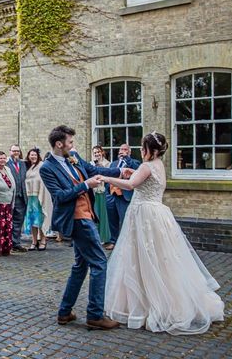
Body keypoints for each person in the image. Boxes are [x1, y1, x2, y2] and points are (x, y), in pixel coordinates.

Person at [98, 132, 224, 335]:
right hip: (157, 213)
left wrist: (105, 177)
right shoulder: (157, 165)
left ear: (151, 149)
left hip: (144, 215)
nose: (141, 150)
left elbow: (131, 185)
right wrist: (133, 171)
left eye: (143, 147)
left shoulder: (147, 166)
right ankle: (163, 300)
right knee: (161, 258)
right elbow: (143, 180)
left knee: (142, 258)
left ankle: (146, 306)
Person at [39, 125, 129, 330]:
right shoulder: (47, 168)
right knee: (99, 262)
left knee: (80, 266)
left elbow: (95, 170)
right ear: (59, 144)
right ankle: (95, 315)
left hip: (87, 214)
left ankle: (64, 312)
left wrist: (120, 171)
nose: (73, 145)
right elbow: (60, 197)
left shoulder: (74, 157)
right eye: (70, 142)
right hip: (77, 219)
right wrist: (85, 185)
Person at [105, 143, 141, 251]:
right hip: (111, 195)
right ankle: (113, 241)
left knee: (125, 220)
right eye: (121, 149)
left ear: (129, 152)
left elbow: (137, 171)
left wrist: (127, 158)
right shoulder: (113, 164)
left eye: (125, 150)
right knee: (112, 220)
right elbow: (108, 176)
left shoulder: (134, 163)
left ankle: (126, 242)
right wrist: (108, 191)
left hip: (124, 196)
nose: (122, 151)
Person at [23, 147, 47, 251]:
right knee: (32, 219)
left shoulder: (42, 165)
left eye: (35, 155)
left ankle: (43, 240)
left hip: (39, 196)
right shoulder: (28, 167)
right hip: (30, 197)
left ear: (38, 156)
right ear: (28, 156)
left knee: (41, 219)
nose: (33, 157)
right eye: (31, 155)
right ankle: (34, 241)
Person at [7, 144, 28, 252]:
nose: (16, 153)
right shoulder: (5, 163)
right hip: (10, 197)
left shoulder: (23, 164)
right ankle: (7, 242)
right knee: (8, 220)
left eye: (17, 151)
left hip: (22, 197)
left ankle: (16, 243)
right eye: (14, 151)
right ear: (10, 151)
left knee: (18, 221)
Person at [90, 145, 111, 245]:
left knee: (103, 215)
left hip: (103, 192)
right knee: (95, 214)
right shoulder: (90, 164)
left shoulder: (107, 164)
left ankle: (103, 237)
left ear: (102, 152)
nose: (97, 154)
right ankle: (95, 236)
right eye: (95, 153)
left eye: (98, 152)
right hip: (93, 192)